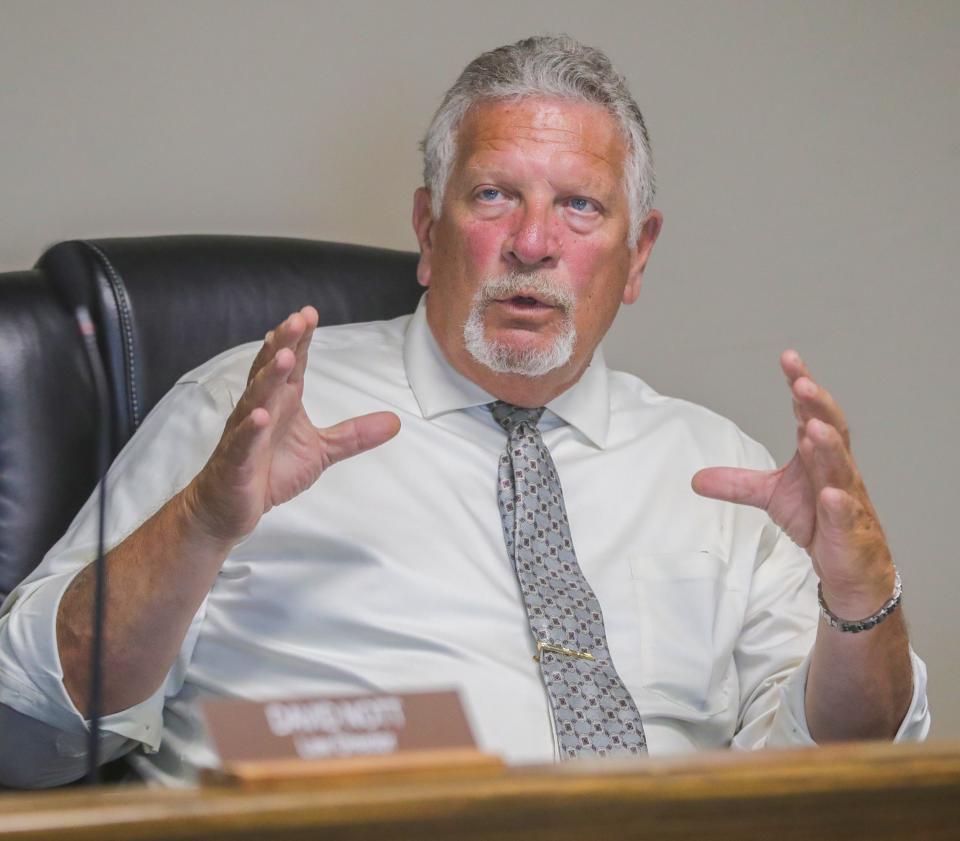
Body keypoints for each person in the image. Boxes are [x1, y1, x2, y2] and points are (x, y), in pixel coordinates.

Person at [0, 35, 929, 788]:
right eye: (494, 195)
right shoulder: (250, 412)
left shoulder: (722, 470)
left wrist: (861, 602)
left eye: (578, 206)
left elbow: (850, 768)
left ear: (638, 253)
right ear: (427, 228)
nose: (532, 242)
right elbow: (30, 723)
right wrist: (201, 525)